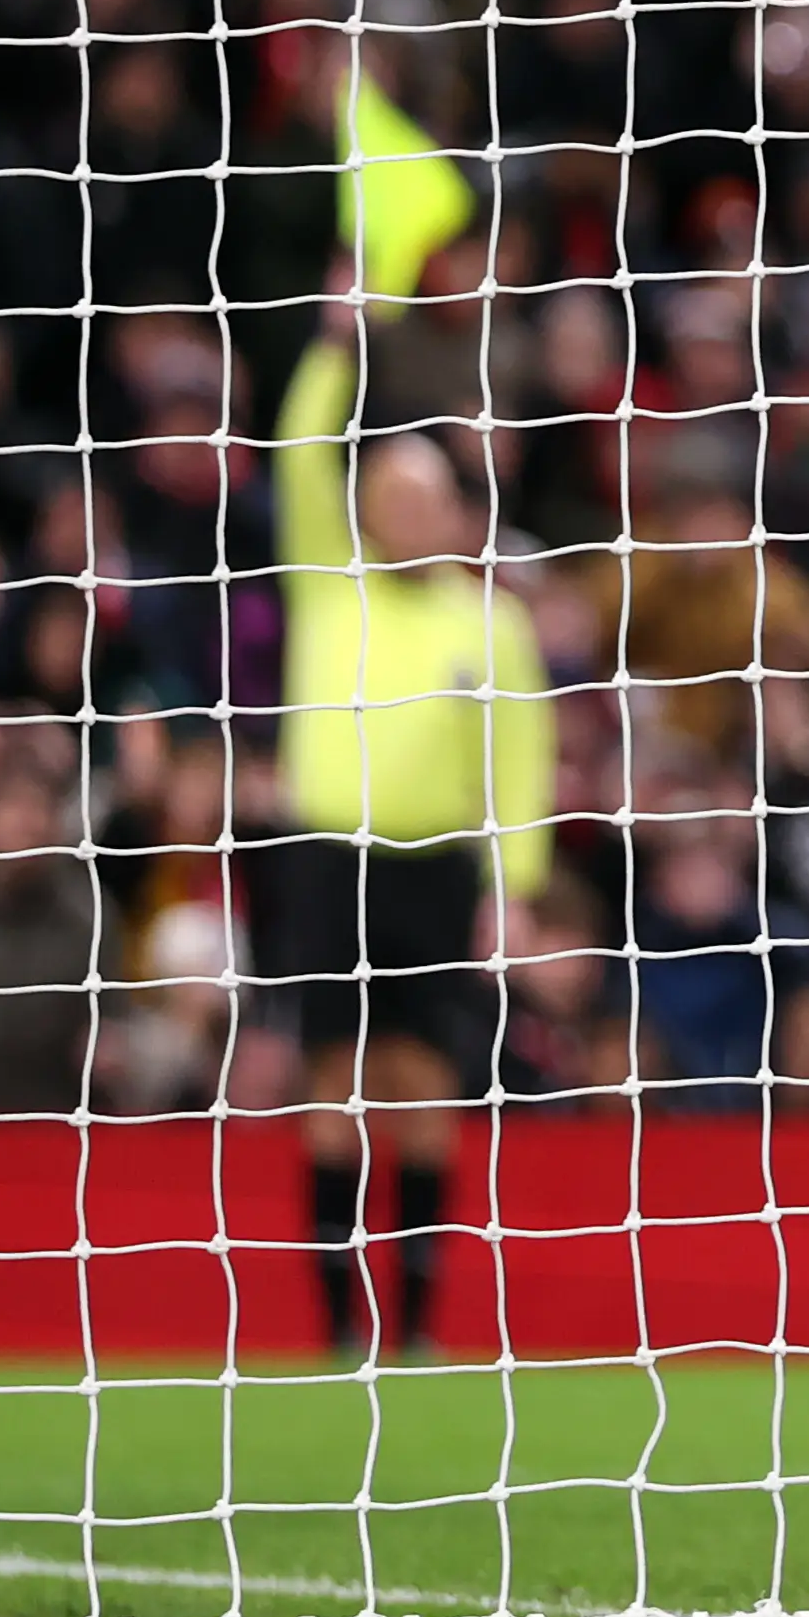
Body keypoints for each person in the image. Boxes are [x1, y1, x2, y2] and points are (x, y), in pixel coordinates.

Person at [268, 254, 556, 1357]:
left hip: (436, 867)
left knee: (424, 1081)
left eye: (423, 496)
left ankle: (422, 1325)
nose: (403, 512)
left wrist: (513, 891)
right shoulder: (327, 584)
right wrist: (337, 343)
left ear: (452, 510)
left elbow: (520, 769)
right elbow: (299, 454)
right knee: (332, 1078)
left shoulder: (493, 624)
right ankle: (339, 1325)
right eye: (385, 496)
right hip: (329, 857)